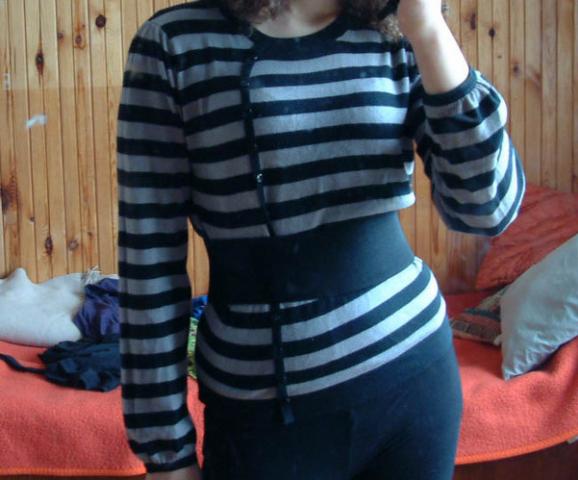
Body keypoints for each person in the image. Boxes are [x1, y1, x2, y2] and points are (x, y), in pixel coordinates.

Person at [116, 0, 526, 479]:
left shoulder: (392, 29)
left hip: (414, 381)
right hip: (262, 414)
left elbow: (487, 207)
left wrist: (428, 26)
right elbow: (148, 260)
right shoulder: (174, 42)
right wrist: (166, 452)